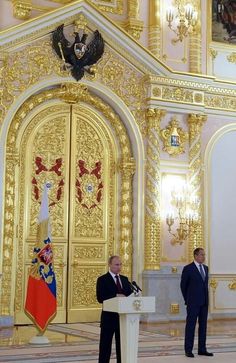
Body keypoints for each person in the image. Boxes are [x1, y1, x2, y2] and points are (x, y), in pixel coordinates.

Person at [96, 255, 133, 363]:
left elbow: (129, 295)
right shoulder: (102, 280)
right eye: (117, 264)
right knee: (105, 345)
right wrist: (115, 295)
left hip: (122, 318)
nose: (119, 267)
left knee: (121, 345)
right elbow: (100, 297)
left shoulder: (125, 279)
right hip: (108, 318)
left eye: (121, 264)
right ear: (110, 265)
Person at [180, 247, 214, 358]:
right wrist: (188, 299)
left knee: (203, 326)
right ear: (195, 256)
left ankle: (202, 349)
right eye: (201, 255)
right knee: (191, 326)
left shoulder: (206, 268)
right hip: (193, 303)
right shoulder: (188, 268)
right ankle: (188, 350)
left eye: (204, 255)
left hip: (204, 303)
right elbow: (183, 286)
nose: (203, 257)